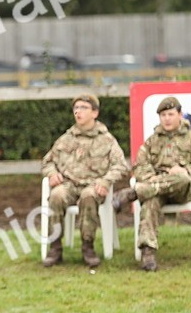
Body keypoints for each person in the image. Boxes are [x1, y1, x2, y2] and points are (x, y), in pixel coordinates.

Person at [112, 96, 191, 271]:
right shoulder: (152, 141)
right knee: (150, 202)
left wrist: (184, 170)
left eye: (170, 114)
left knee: (181, 178)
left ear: (180, 115)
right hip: (156, 191)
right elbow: (139, 166)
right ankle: (148, 254)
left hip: (183, 189)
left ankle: (133, 193)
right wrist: (153, 180)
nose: (167, 119)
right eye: (163, 115)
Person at [40, 93, 129, 268]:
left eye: (83, 108)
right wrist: (51, 173)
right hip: (69, 185)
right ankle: (55, 248)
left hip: (93, 185)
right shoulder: (66, 138)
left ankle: (88, 247)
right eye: (76, 109)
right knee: (56, 196)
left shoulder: (106, 140)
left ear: (94, 113)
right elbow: (47, 161)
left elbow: (121, 166)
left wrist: (105, 181)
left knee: (89, 197)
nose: (78, 112)